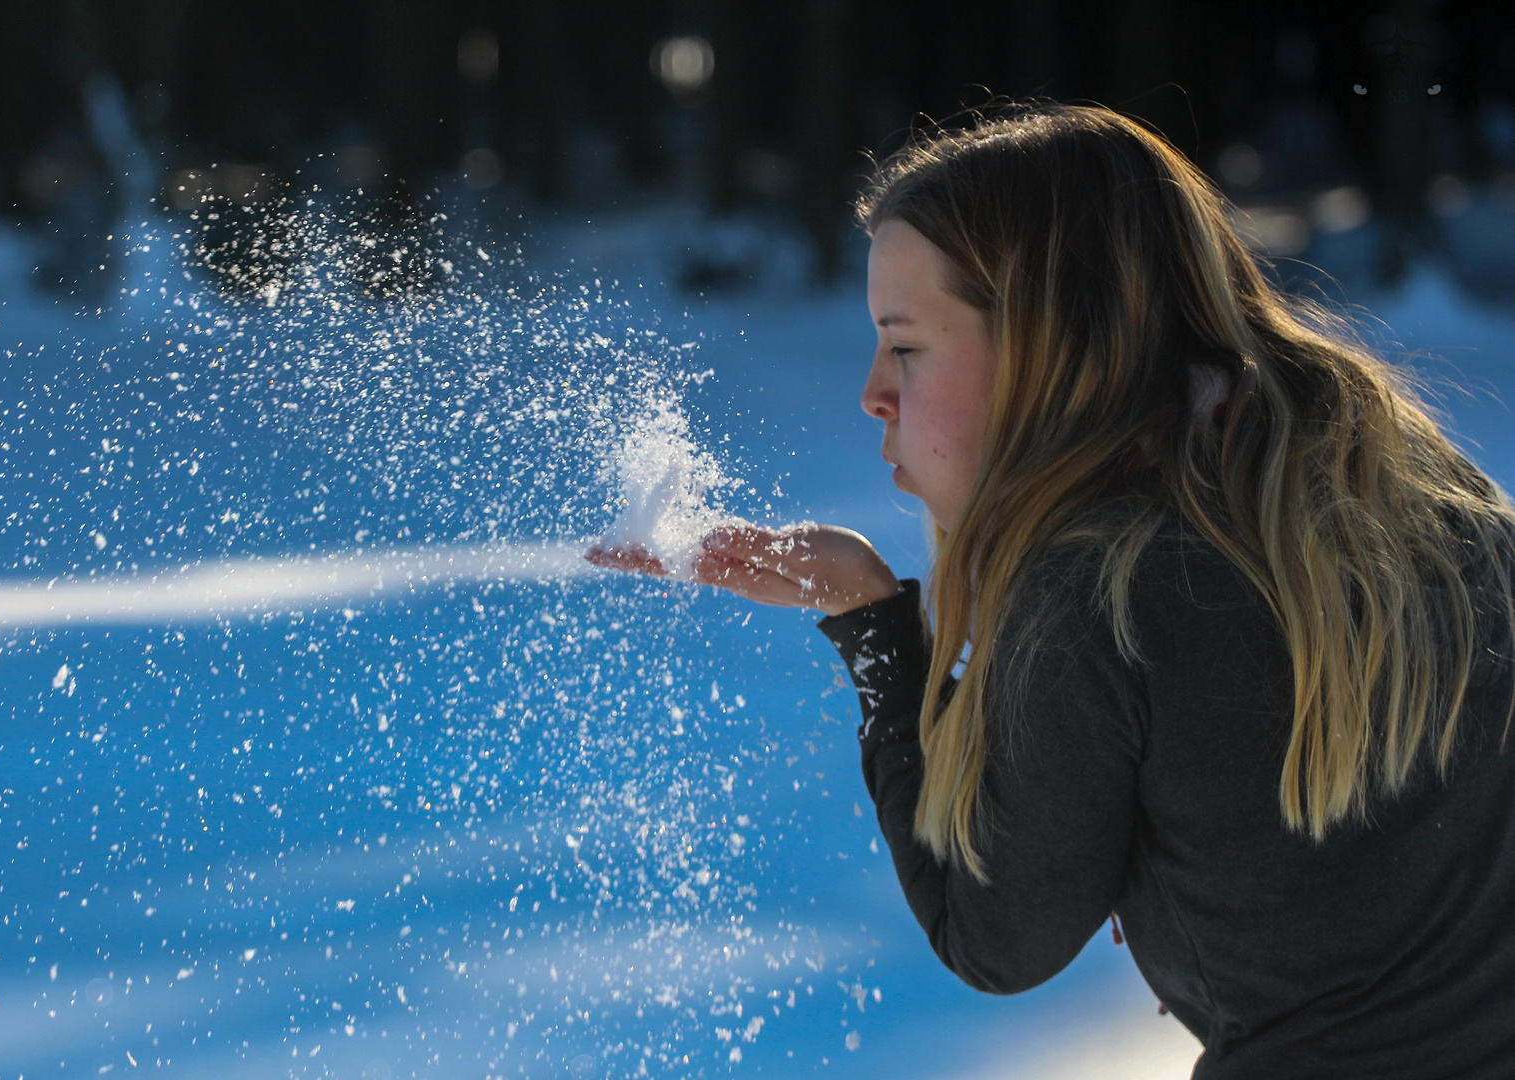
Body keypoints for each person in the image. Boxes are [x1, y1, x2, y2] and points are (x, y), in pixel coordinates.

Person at [586, 100, 1515, 1079]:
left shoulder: (1107, 588)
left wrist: (869, 624)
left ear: (1048, 341)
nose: (872, 390)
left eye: (906, 344)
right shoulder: (1427, 502)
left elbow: (995, 936)